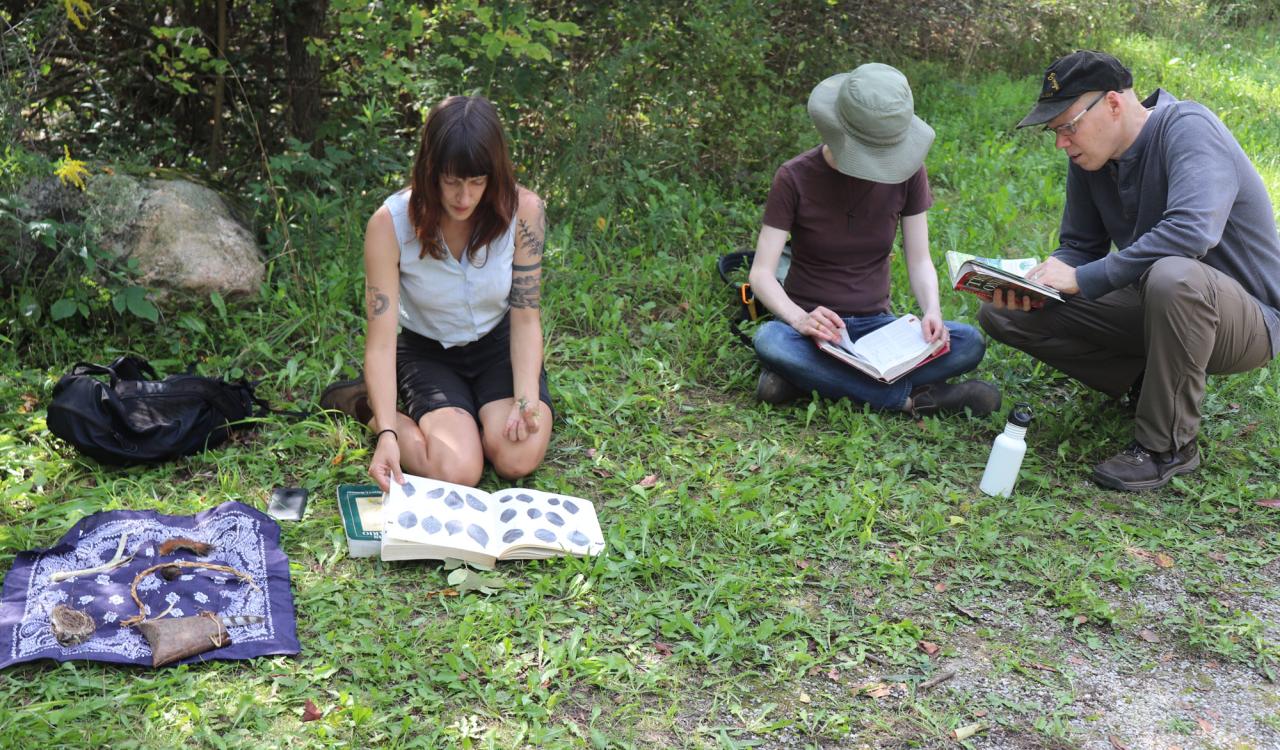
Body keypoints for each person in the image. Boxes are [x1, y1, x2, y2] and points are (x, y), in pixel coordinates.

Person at [980, 50, 1280, 491]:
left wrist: (1082, 279)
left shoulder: (1188, 127)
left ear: (1114, 104)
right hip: (1158, 303)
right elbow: (1081, 245)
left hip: (1247, 322)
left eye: (1067, 126)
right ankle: (1153, 383)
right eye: (1054, 132)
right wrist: (1039, 281)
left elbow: (1191, 233)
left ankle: (1168, 447)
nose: (1061, 141)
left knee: (1173, 274)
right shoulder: (1091, 157)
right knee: (1006, 312)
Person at [320, 95, 553, 492]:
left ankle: (476, 417)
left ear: (494, 175)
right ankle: (372, 409)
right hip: (429, 353)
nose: (464, 197)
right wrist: (388, 436)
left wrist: (526, 399)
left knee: (518, 457)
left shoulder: (524, 211)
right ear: (430, 171)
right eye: (452, 181)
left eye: (477, 182)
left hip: (498, 346)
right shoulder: (389, 225)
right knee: (458, 471)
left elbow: (526, 317)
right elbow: (380, 343)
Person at [749, 63, 1000, 417]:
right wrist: (798, 319)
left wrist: (932, 310)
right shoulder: (794, 177)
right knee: (770, 340)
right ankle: (913, 401)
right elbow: (761, 273)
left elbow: (919, 258)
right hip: (811, 327)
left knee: (967, 342)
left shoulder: (908, 172)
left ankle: (802, 382)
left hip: (878, 328)